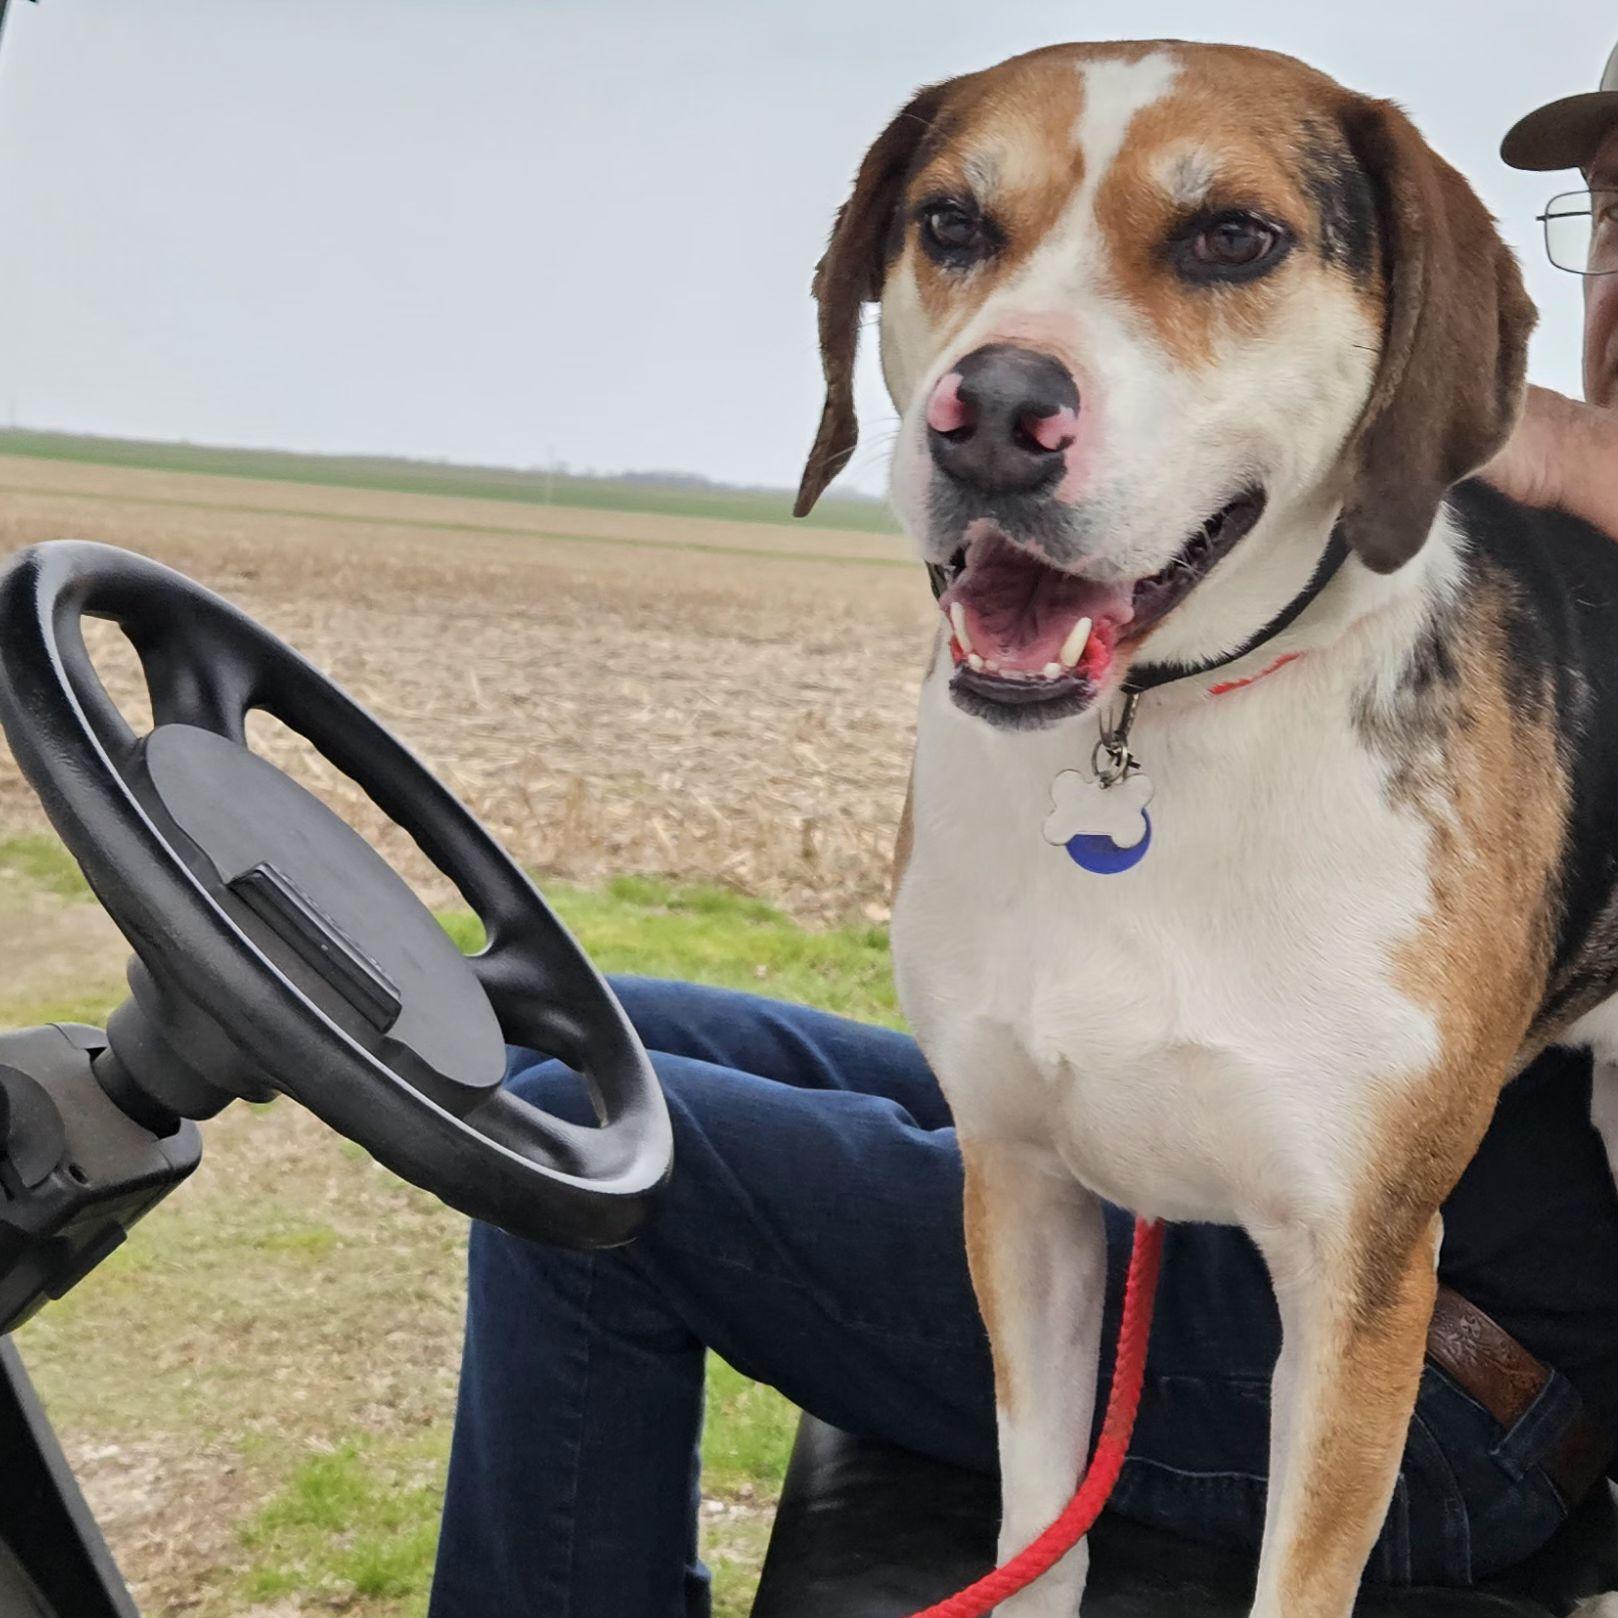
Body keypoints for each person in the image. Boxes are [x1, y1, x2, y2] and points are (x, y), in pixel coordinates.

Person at [427, 48, 1618, 1618]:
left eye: (1224, 244)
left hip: (1461, 1392)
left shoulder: (1516, 618)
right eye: (1610, 211)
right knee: (595, 1040)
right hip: (1140, 1182)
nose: (999, 377)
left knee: (572, 1155)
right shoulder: (1495, 527)